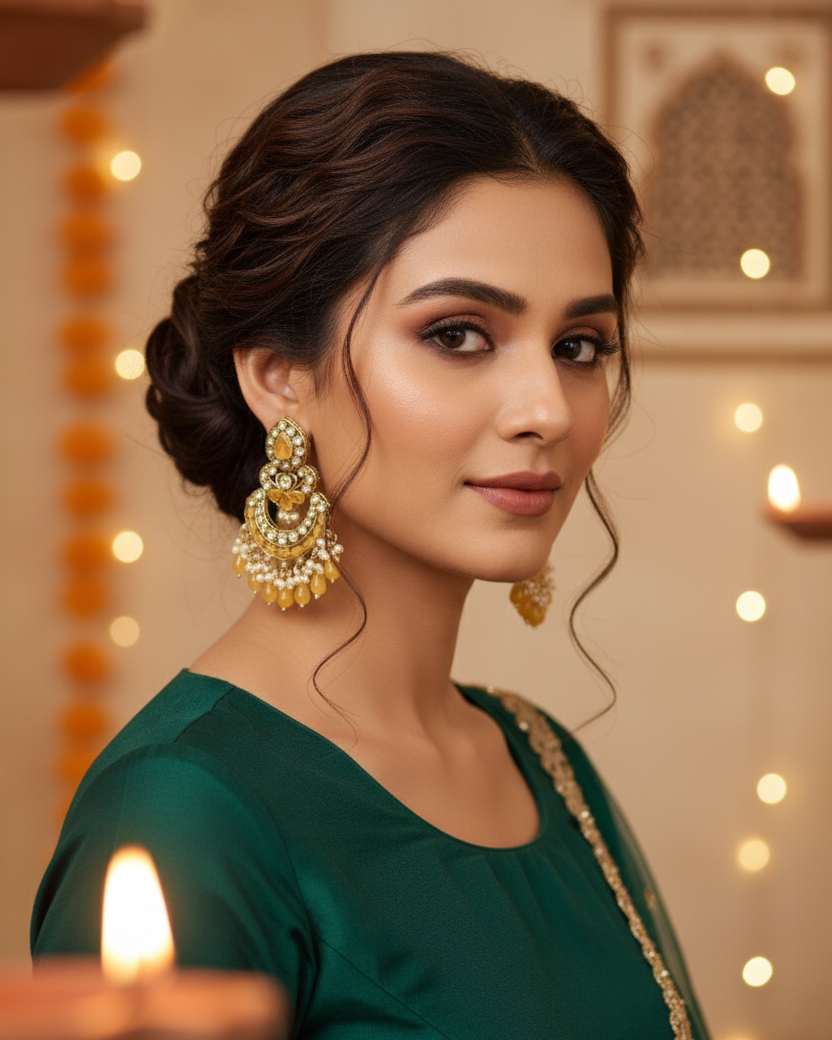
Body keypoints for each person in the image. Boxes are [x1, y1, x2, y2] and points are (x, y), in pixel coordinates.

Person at [31, 51, 710, 1039]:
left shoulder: (542, 756)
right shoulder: (185, 811)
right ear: (280, 376)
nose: (547, 409)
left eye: (579, 347)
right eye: (458, 334)